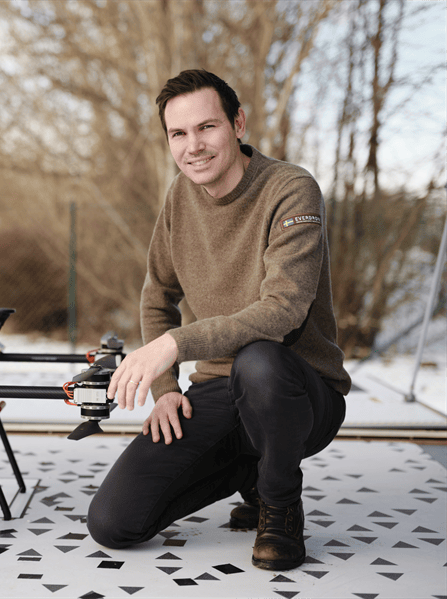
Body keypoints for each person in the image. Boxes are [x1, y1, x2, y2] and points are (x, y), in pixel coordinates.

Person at [86, 69, 351, 571]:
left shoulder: (290, 189)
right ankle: (250, 468)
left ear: (238, 124)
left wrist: (172, 346)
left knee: (260, 362)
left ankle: (278, 504)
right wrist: (166, 389)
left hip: (300, 391)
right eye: (178, 134)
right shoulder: (178, 198)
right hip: (219, 388)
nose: (194, 146)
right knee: (115, 522)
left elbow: (284, 309)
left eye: (207, 127)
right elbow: (157, 294)